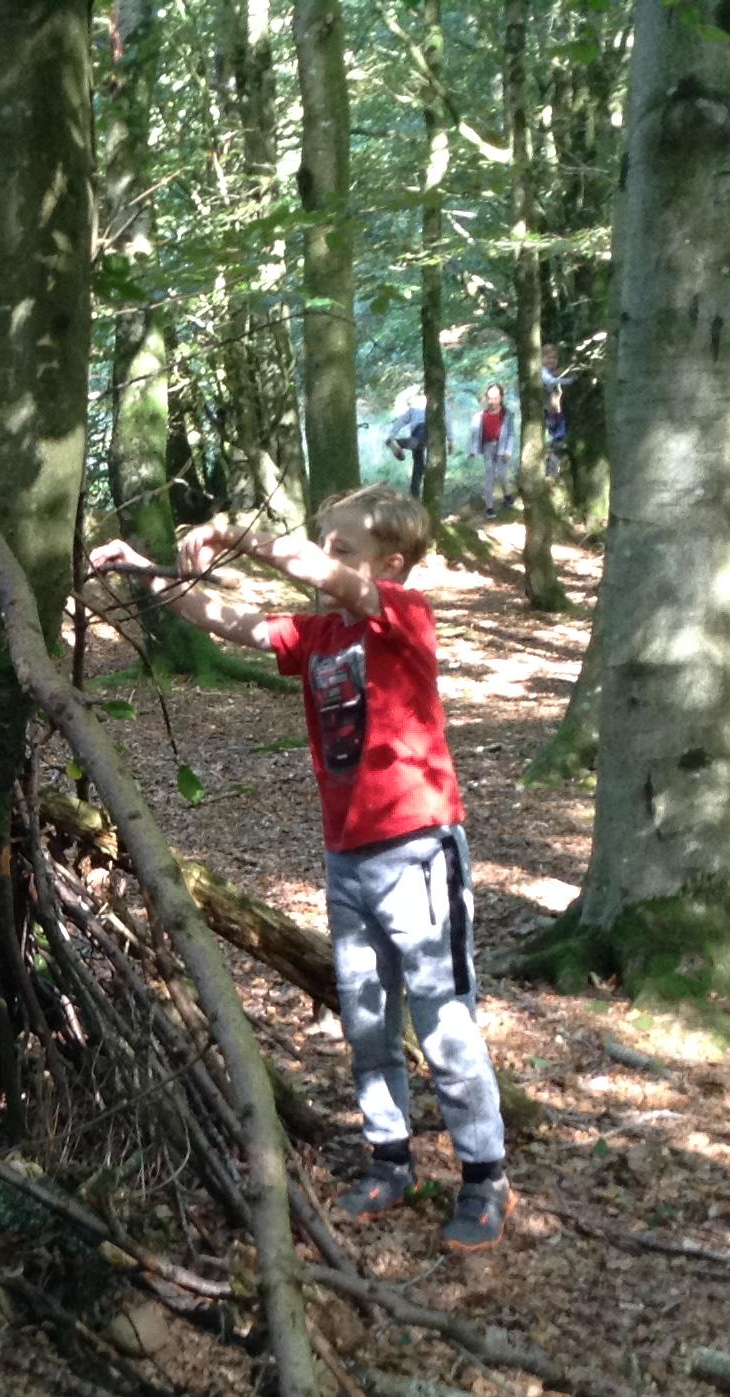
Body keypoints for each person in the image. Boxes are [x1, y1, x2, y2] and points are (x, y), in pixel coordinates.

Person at [89, 486, 513, 1251]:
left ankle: (484, 1175)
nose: (325, 557)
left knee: (444, 1021)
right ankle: (390, 1160)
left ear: (389, 564)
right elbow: (229, 621)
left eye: (342, 547)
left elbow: (323, 576)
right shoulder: (319, 636)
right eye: (323, 543)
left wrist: (241, 538)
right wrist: (145, 571)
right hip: (347, 858)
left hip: (418, 850)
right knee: (367, 1020)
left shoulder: (402, 616)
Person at [470, 381, 516, 518]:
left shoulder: (507, 415)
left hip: (502, 448)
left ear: (501, 398)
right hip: (487, 448)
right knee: (489, 476)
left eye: (495, 398)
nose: (492, 402)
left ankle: (507, 495)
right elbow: (475, 434)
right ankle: (489, 507)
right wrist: (473, 450)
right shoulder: (480, 416)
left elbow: (511, 434)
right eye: (490, 398)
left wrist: (508, 450)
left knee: (502, 474)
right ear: (486, 398)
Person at [385, 392, 427, 499]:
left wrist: (392, 434)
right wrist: (451, 439)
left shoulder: (413, 408)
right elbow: (447, 420)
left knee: (418, 464)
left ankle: (414, 494)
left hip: (415, 430)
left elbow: (401, 421)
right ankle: (398, 443)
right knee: (417, 444)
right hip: (426, 429)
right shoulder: (437, 404)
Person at [539, 345, 566, 482]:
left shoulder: (558, 376)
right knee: (548, 444)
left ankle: (552, 475)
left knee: (557, 443)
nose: (551, 360)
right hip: (546, 415)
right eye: (548, 357)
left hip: (558, 416)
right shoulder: (539, 377)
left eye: (554, 358)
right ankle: (547, 475)